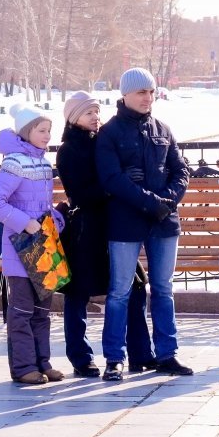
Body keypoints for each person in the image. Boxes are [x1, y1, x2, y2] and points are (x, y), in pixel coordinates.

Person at [96, 68, 192, 381]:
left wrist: (166, 200)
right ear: (125, 94)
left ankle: (167, 354)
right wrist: (152, 202)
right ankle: (114, 358)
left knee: (163, 290)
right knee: (120, 292)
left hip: (164, 224)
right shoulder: (110, 133)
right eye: (141, 92)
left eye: (151, 92)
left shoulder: (162, 129)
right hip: (126, 223)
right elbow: (112, 179)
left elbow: (181, 171)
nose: (147, 98)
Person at [57, 91, 159, 378]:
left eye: (97, 112)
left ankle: (140, 352)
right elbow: (80, 194)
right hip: (87, 230)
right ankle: (80, 357)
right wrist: (114, 185)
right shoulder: (69, 150)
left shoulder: (104, 140)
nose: (95, 117)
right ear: (73, 117)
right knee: (78, 294)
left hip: (115, 225)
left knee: (136, 286)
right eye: (88, 112)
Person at [0, 104, 65, 385]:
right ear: (27, 132)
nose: (47, 136)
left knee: (43, 310)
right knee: (21, 311)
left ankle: (43, 362)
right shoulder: (15, 163)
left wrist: (53, 217)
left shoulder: (43, 163)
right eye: (41, 131)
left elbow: (41, 203)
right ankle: (23, 367)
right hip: (21, 251)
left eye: (49, 131)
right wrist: (24, 222)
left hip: (43, 248)